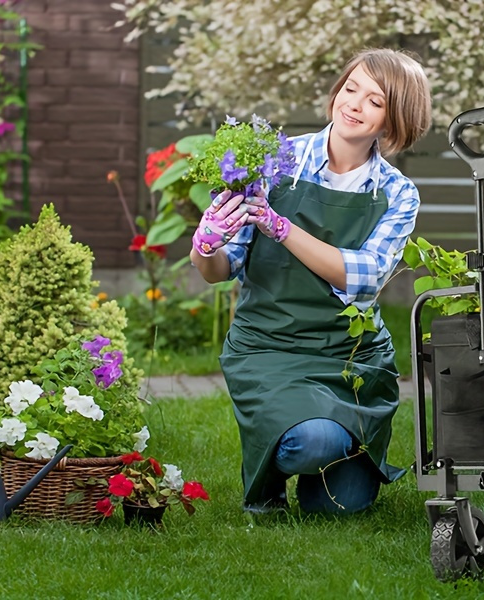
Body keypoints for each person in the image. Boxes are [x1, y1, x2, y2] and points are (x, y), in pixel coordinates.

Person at [189, 48, 432, 514]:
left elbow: (363, 277)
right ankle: (273, 473)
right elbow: (220, 271)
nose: (354, 104)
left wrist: (282, 229)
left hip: (350, 357)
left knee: (341, 508)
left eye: (375, 101)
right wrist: (207, 246)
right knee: (309, 443)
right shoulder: (276, 161)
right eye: (351, 87)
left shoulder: (397, 193)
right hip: (270, 346)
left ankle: (326, 451)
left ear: (395, 120)